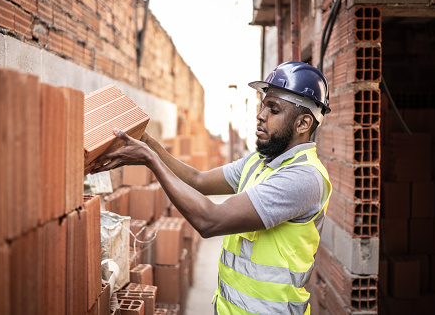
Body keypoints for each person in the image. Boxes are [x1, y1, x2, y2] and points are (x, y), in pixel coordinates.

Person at [92, 61, 333, 315]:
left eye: (273, 109)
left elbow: (210, 220)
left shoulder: (303, 177)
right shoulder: (260, 162)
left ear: (303, 124)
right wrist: (149, 143)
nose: (260, 115)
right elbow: (198, 180)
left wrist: (150, 160)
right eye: (263, 104)